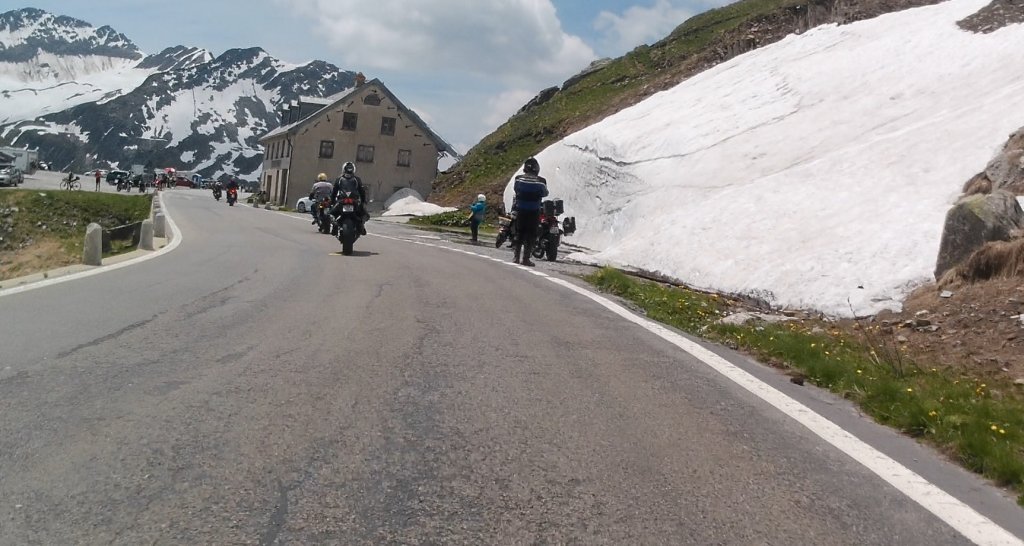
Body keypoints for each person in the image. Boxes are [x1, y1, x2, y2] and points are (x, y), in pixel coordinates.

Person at [511, 157, 548, 266]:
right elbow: (545, 193)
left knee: (519, 233)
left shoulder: (518, 179)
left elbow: (516, 189)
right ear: (537, 169)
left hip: (520, 209)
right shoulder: (541, 181)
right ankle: (526, 258)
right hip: (534, 210)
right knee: (531, 235)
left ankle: (516, 257)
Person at [331, 162, 368, 235]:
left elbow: (334, 191)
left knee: (332, 213)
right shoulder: (357, 179)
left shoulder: (339, 179)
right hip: (354, 201)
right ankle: (361, 226)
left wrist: (332, 201)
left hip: (342, 200)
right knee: (363, 213)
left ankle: (334, 226)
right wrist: (363, 201)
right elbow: (362, 191)